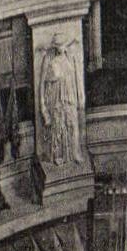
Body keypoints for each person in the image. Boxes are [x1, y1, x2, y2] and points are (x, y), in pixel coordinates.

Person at [39, 37, 84, 165]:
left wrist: (80, 96)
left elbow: (77, 79)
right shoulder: (49, 60)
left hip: (69, 96)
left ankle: (75, 152)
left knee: (72, 124)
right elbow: (43, 84)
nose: (60, 48)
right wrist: (43, 107)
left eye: (62, 45)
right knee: (58, 126)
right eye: (58, 45)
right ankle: (58, 155)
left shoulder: (71, 58)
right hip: (56, 97)